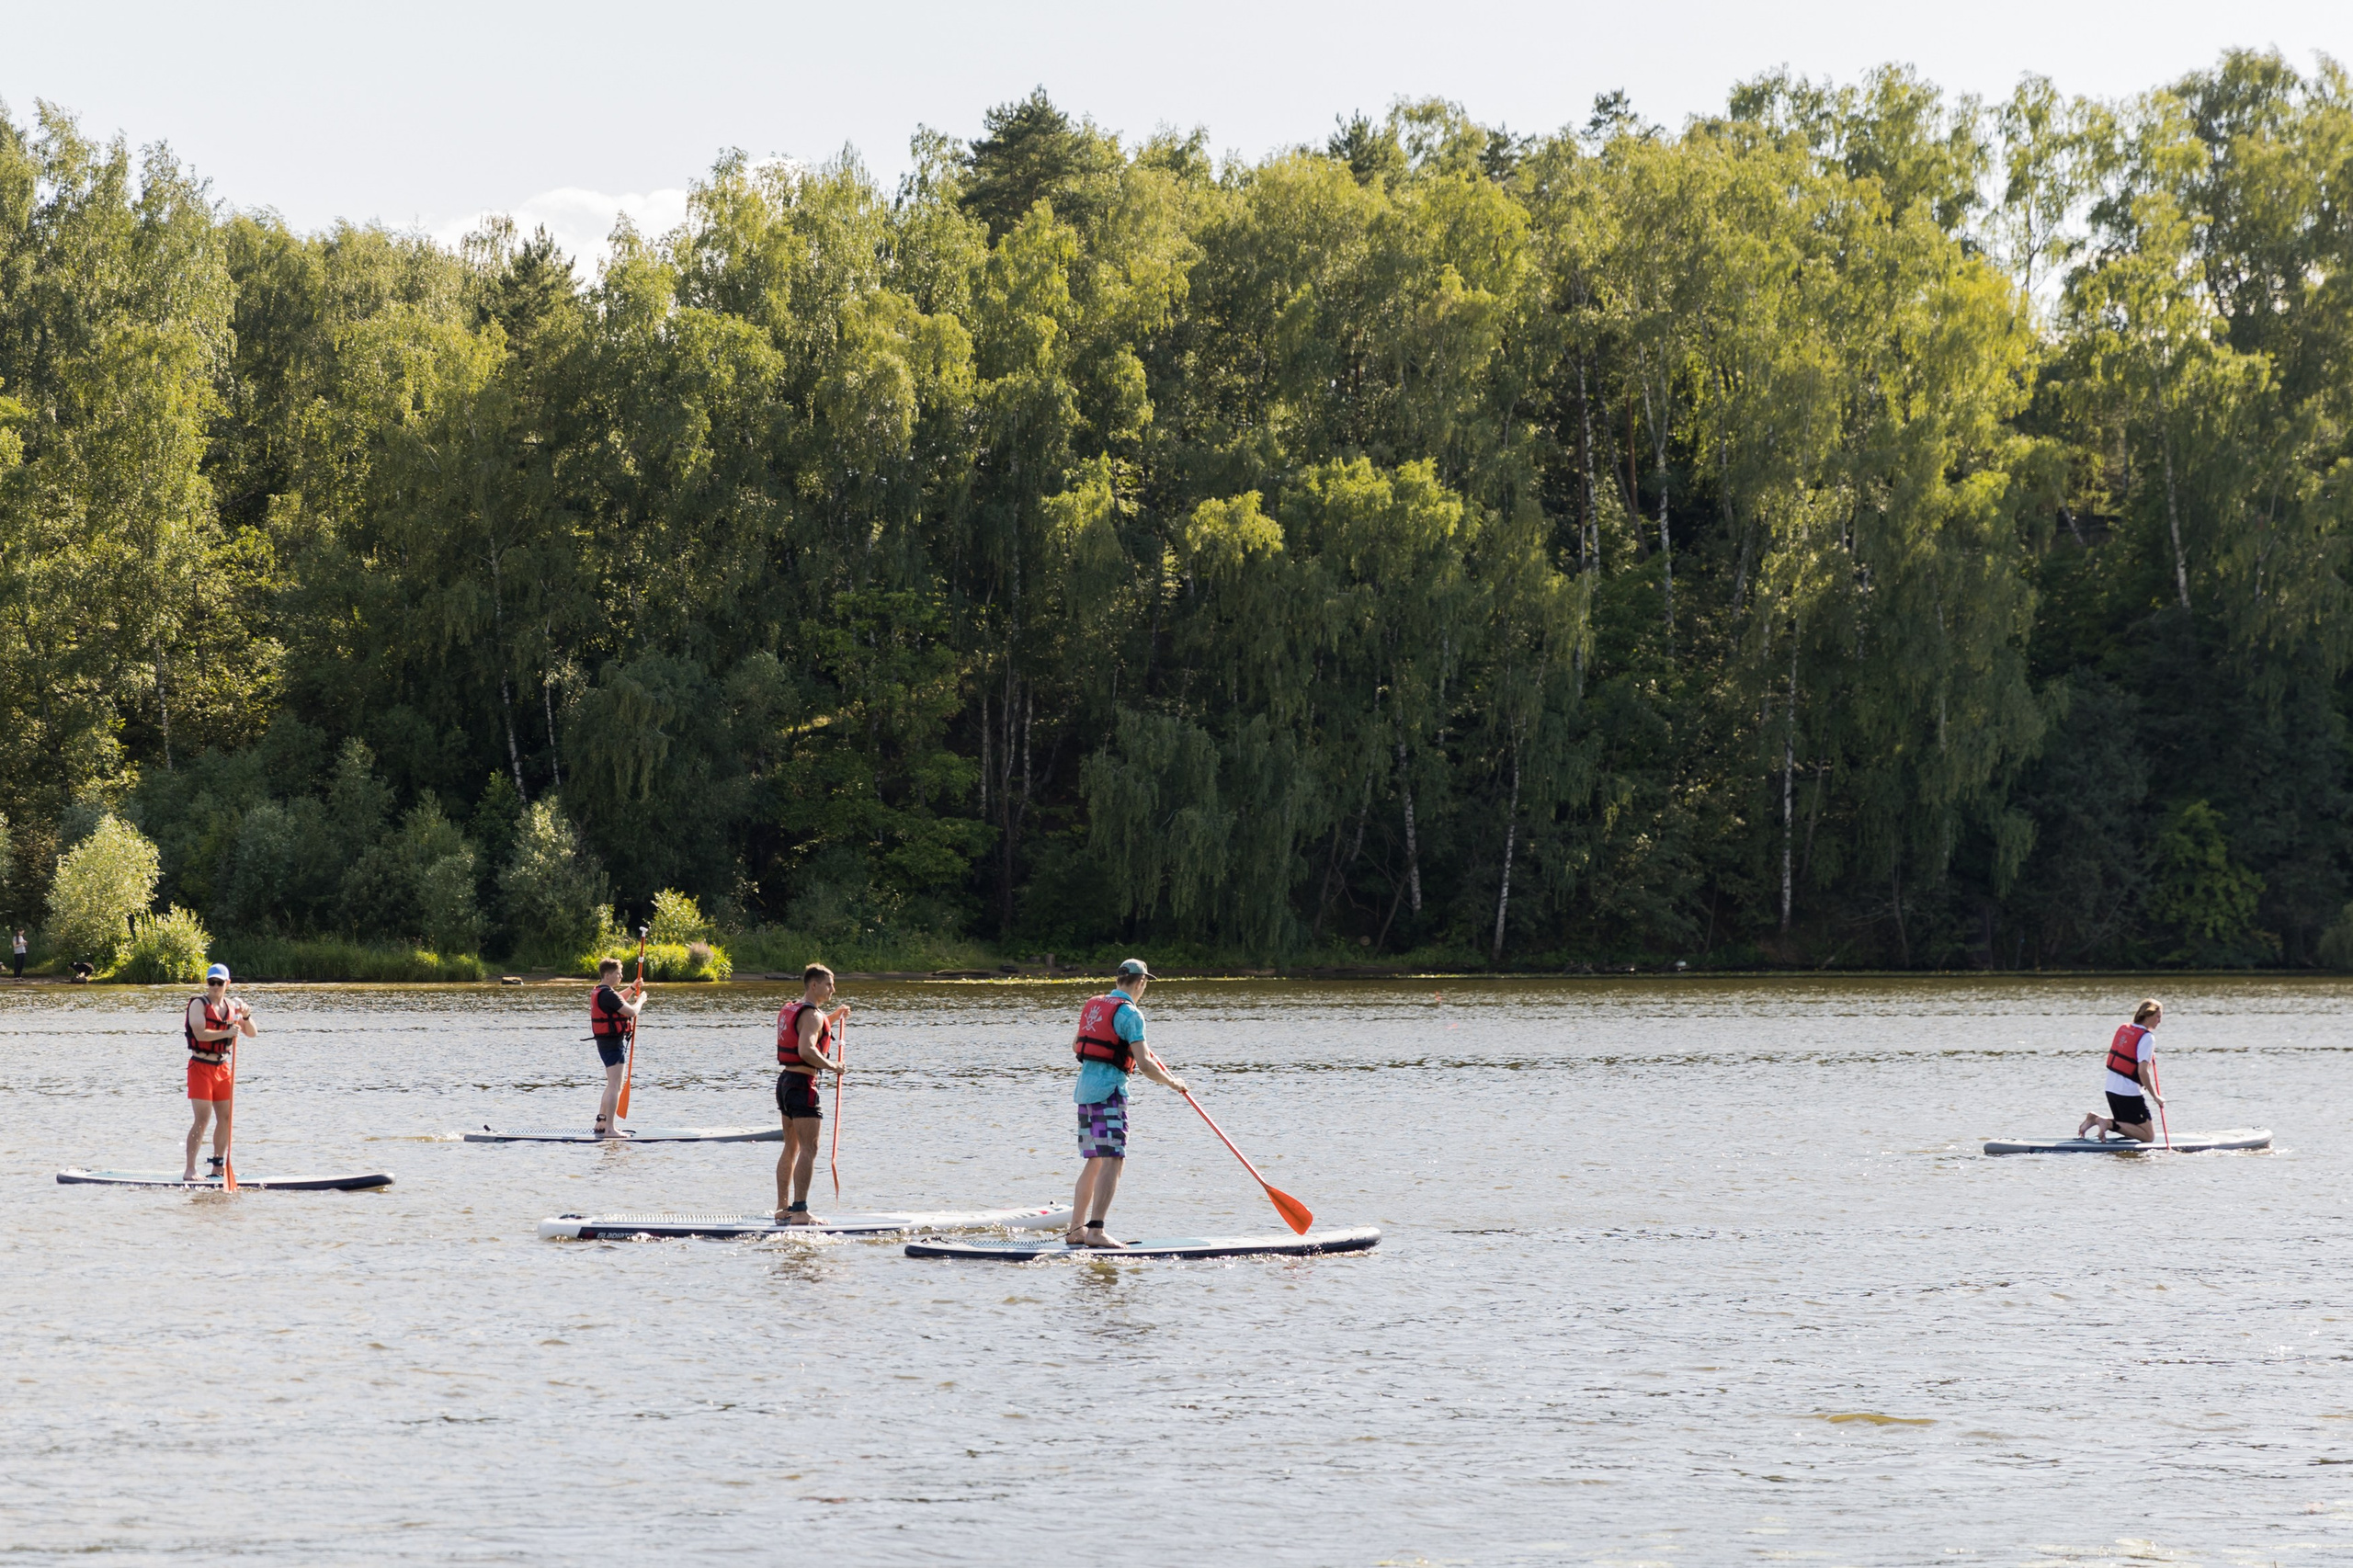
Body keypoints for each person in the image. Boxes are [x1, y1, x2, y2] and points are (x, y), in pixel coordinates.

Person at [1065, 958, 1188, 1249]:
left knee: (1094, 1159)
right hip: (1109, 1092)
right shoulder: (1131, 1015)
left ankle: (1076, 1230)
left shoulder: (1094, 1004)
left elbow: (1076, 1045)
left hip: (1084, 1091)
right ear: (1142, 982)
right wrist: (1173, 1083)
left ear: (1119, 979)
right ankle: (1095, 1231)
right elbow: (1145, 1065)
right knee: (1114, 1158)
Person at [774, 964, 849, 1223]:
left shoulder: (796, 1009)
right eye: (829, 984)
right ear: (814, 985)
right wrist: (833, 1066)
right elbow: (806, 1050)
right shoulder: (813, 1016)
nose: (833, 989)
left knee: (791, 1146)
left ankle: (783, 1209)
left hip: (785, 1083)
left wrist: (834, 1017)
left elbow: (812, 1026)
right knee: (810, 1148)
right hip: (803, 1084)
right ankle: (800, 1211)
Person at [182, 963, 256, 1182]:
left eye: (219, 983)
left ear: (227, 984)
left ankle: (218, 1167)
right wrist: (226, 1031)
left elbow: (252, 1033)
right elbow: (200, 1033)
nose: (214, 987)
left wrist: (246, 1015)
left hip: (223, 1068)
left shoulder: (233, 1006)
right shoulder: (198, 1004)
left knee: (225, 1117)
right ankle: (190, 1170)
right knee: (202, 1119)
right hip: (200, 1067)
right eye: (211, 982)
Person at [2079, 998, 2166, 1142]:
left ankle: (2095, 1119)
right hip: (2128, 1093)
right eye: (2158, 1017)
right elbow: (2142, 1072)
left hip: (2111, 1089)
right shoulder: (2147, 1038)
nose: (2159, 1021)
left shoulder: (2126, 1028)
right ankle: (2106, 1123)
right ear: (2148, 1015)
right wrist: (2156, 1096)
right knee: (2148, 1136)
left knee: (2128, 1129)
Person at [587, 958, 644, 1138]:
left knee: (611, 1084)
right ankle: (610, 1129)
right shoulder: (607, 994)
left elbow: (618, 999)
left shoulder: (602, 992)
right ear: (608, 974)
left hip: (606, 1043)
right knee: (615, 1086)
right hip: (612, 1044)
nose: (621, 976)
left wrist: (633, 988)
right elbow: (632, 1012)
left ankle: (601, 1122)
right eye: (618, 973)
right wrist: (641, 999)